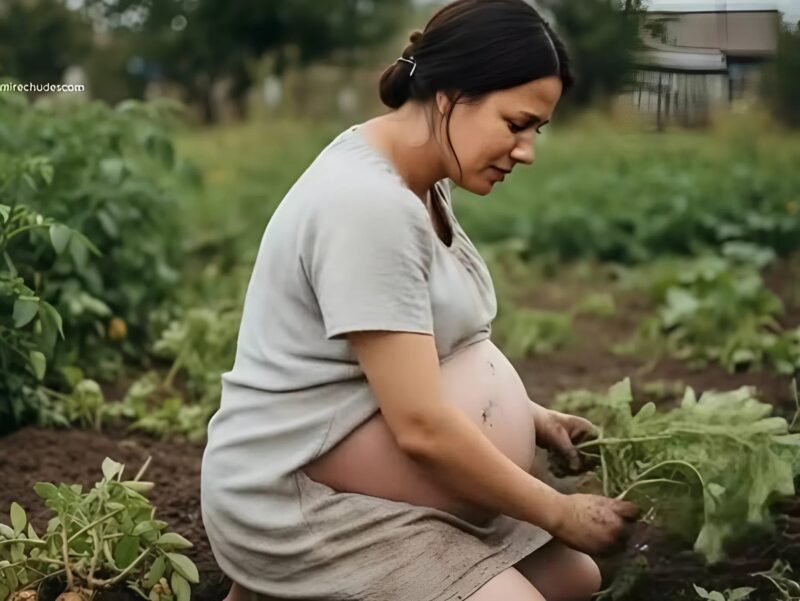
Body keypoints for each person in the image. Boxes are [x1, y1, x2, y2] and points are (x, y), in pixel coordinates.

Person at [200, 1, 640, 599]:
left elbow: (418, 349)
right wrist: (557, 512)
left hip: (375, 478)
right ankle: (277, 585)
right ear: (450, 94)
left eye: (539, 129)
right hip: (300, 503)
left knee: (577, 580)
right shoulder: (366, 206)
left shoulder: (420, 182)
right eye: (516, 123)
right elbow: (421, 428)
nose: (528, 150)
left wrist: (532, 417)